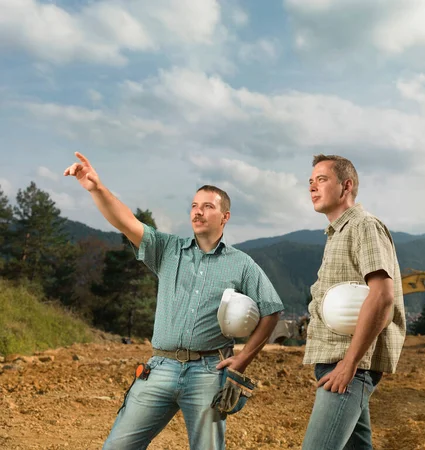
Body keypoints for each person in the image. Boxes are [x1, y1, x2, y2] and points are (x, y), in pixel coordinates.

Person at [64, 152, 284, 450]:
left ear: (225, 217)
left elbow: (271, 309)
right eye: (194, 206)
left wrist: (242, 361)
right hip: (161, 367)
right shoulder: (168, 249)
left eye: (208, 206)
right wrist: (96, 189)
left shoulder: (242, 264)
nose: (198, 212)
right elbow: (126, 221)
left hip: (209, 371)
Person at [303, 154, 406, 450]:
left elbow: (382, 296)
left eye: (322, 180)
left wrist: (350, 364)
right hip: (339, 365)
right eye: (310, 182)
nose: (312, 187)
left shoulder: (364, 226)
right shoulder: (338, 233)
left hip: (348, 366)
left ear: (346, 186)